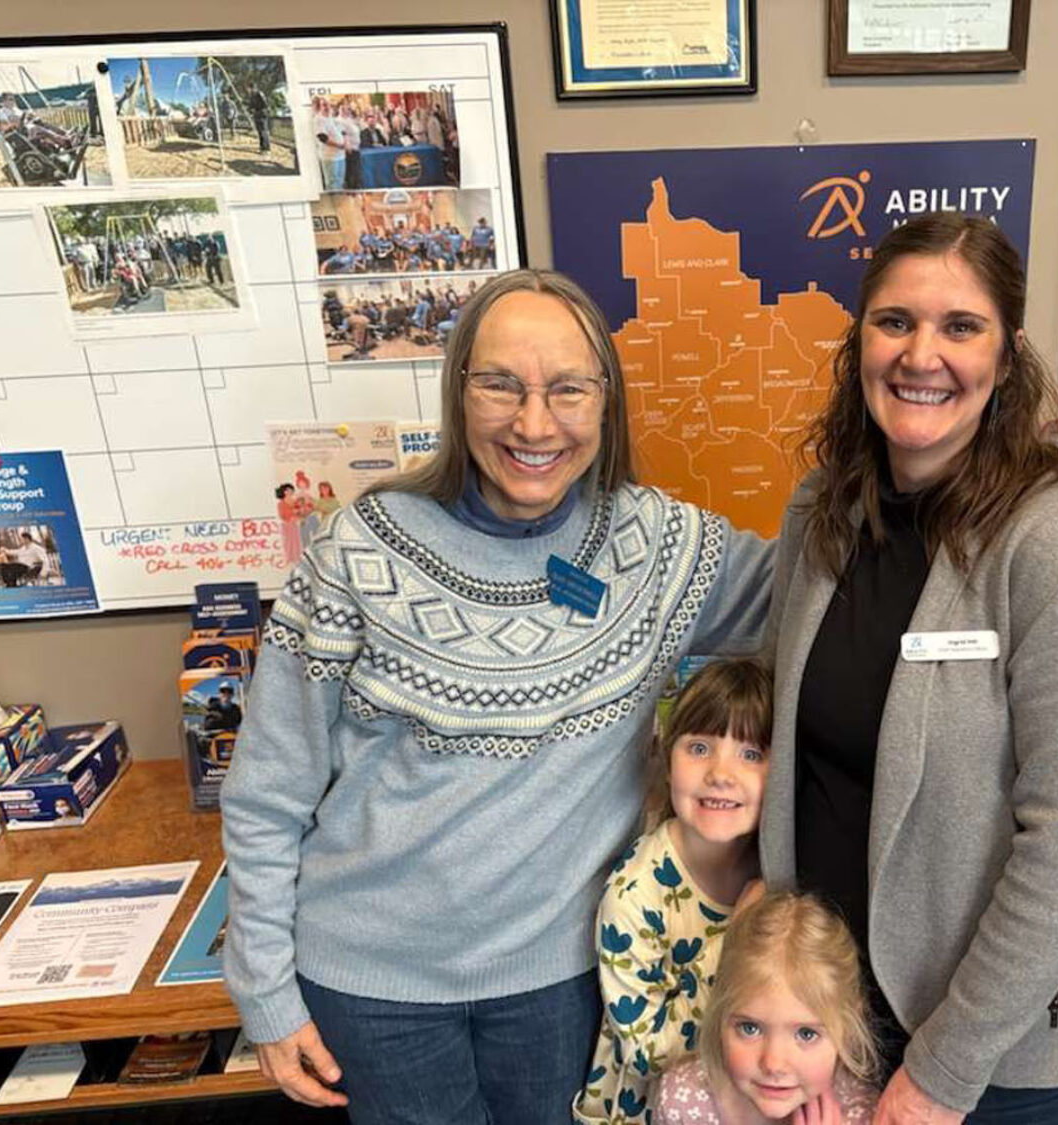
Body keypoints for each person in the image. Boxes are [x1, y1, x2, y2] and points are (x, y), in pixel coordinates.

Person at [221, 268, 773, 1125]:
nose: (534, 423)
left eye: (568, 389)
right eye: (500, 385)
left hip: (562, 980)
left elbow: (824, 591)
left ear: (607, 402)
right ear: (458, 392)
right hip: (374, 988)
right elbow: (267, 791)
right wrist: (264, 991)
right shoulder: (354, 550)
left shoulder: (658, 547)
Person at [760, 214, 1058, 1124]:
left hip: (994, 1046)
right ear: (859, 341)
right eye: (894, 321)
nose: (920, 354)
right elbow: (790, 738)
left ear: (1005, 358)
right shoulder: (822, 510)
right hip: (832, 1008)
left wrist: (944, 1067)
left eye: (960, 326)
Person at [574, 657, 773, 1125]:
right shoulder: (634, 895)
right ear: (668, 761)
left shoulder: (777, 866)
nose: (721, 773)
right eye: (700, 747)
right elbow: (647, 1053)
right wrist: (736, 938)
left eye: (750, 754)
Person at [654, 891, 879, 1124]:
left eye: (806, 1034)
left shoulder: (865, 1115)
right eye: (750, 1028)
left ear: (848, 1029)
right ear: (720, 1014)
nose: (774, 1064)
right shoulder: (682, 1099)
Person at [248, 88, 270, 153]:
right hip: (257, 115)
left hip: (262, 114)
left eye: (248, 89)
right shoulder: (252, 96)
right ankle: (262, 147)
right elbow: (251, 106)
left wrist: (261, 111)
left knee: (263, 131)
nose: (247, 90)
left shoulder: (259, 94)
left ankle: (266, 149)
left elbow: (265, 104)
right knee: (260, 132)